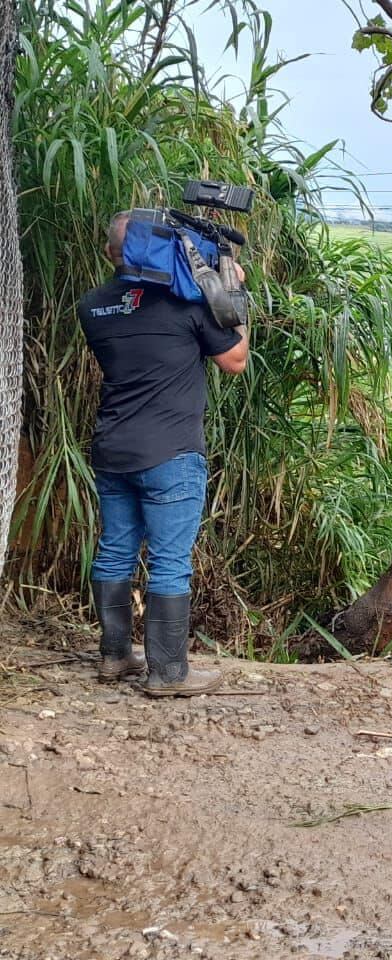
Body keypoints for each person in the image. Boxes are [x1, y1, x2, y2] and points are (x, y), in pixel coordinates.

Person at [78, 211, 248, 696]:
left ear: (112, 253)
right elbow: (235, 361)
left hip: (113, 451)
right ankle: (168, 673)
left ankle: (114, 658)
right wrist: (231, 295)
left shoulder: (93, 306)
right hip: (171, 454)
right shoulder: (185, 305)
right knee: (171, 561)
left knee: (114, 551)